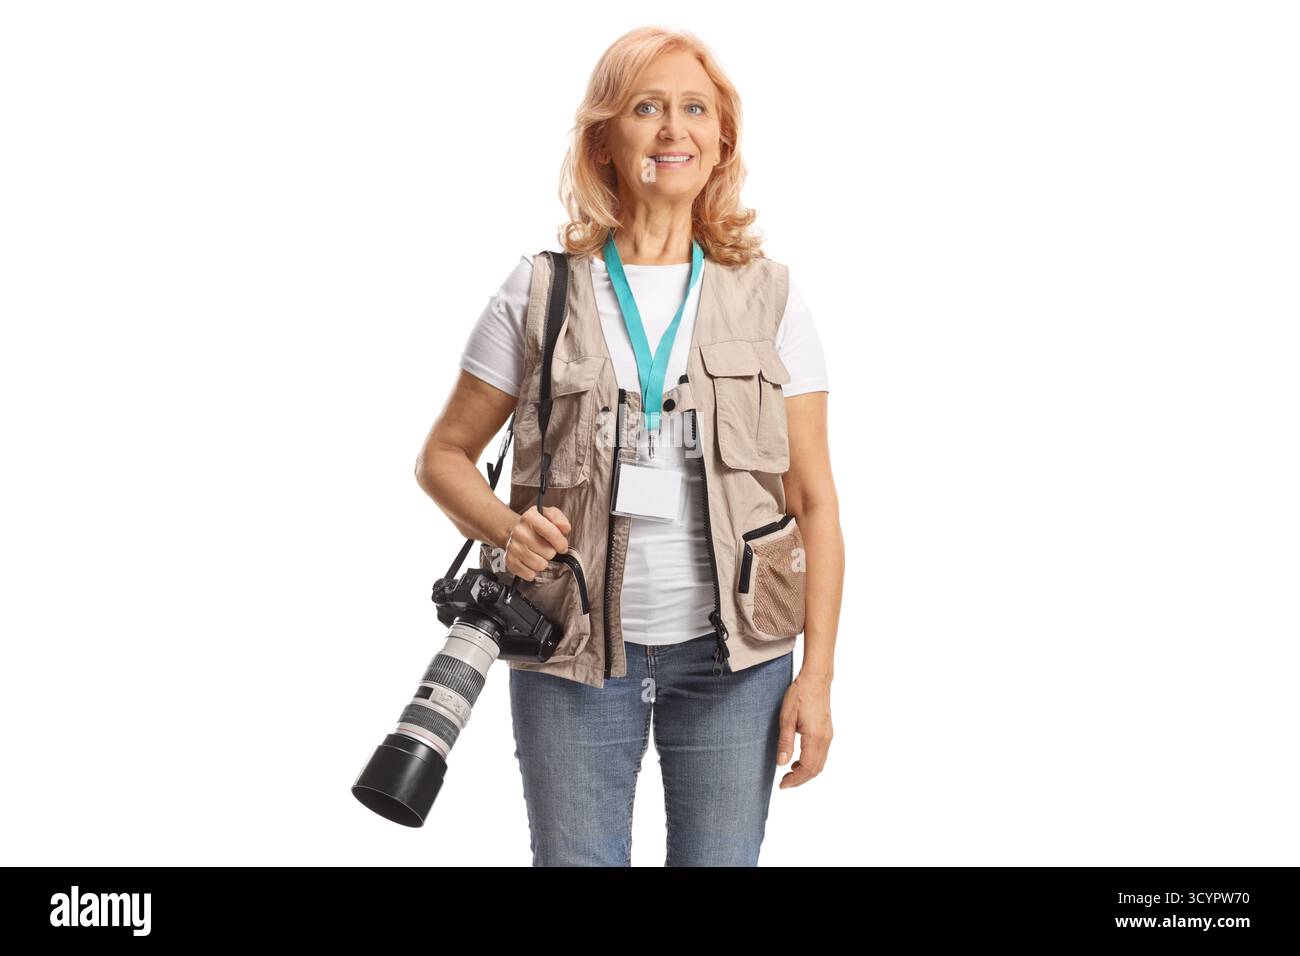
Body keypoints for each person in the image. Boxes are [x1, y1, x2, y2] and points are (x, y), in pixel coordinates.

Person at [415, 26, 844, 866]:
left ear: (722, 140)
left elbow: (815, 500)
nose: (672, 129)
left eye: (694, 109)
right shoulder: (540, 288)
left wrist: (817, 677)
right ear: (604, 140)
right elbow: (443, 457)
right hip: (568, 655)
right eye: (646, 107)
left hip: (738, 664)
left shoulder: (771, 298)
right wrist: (506, 528)